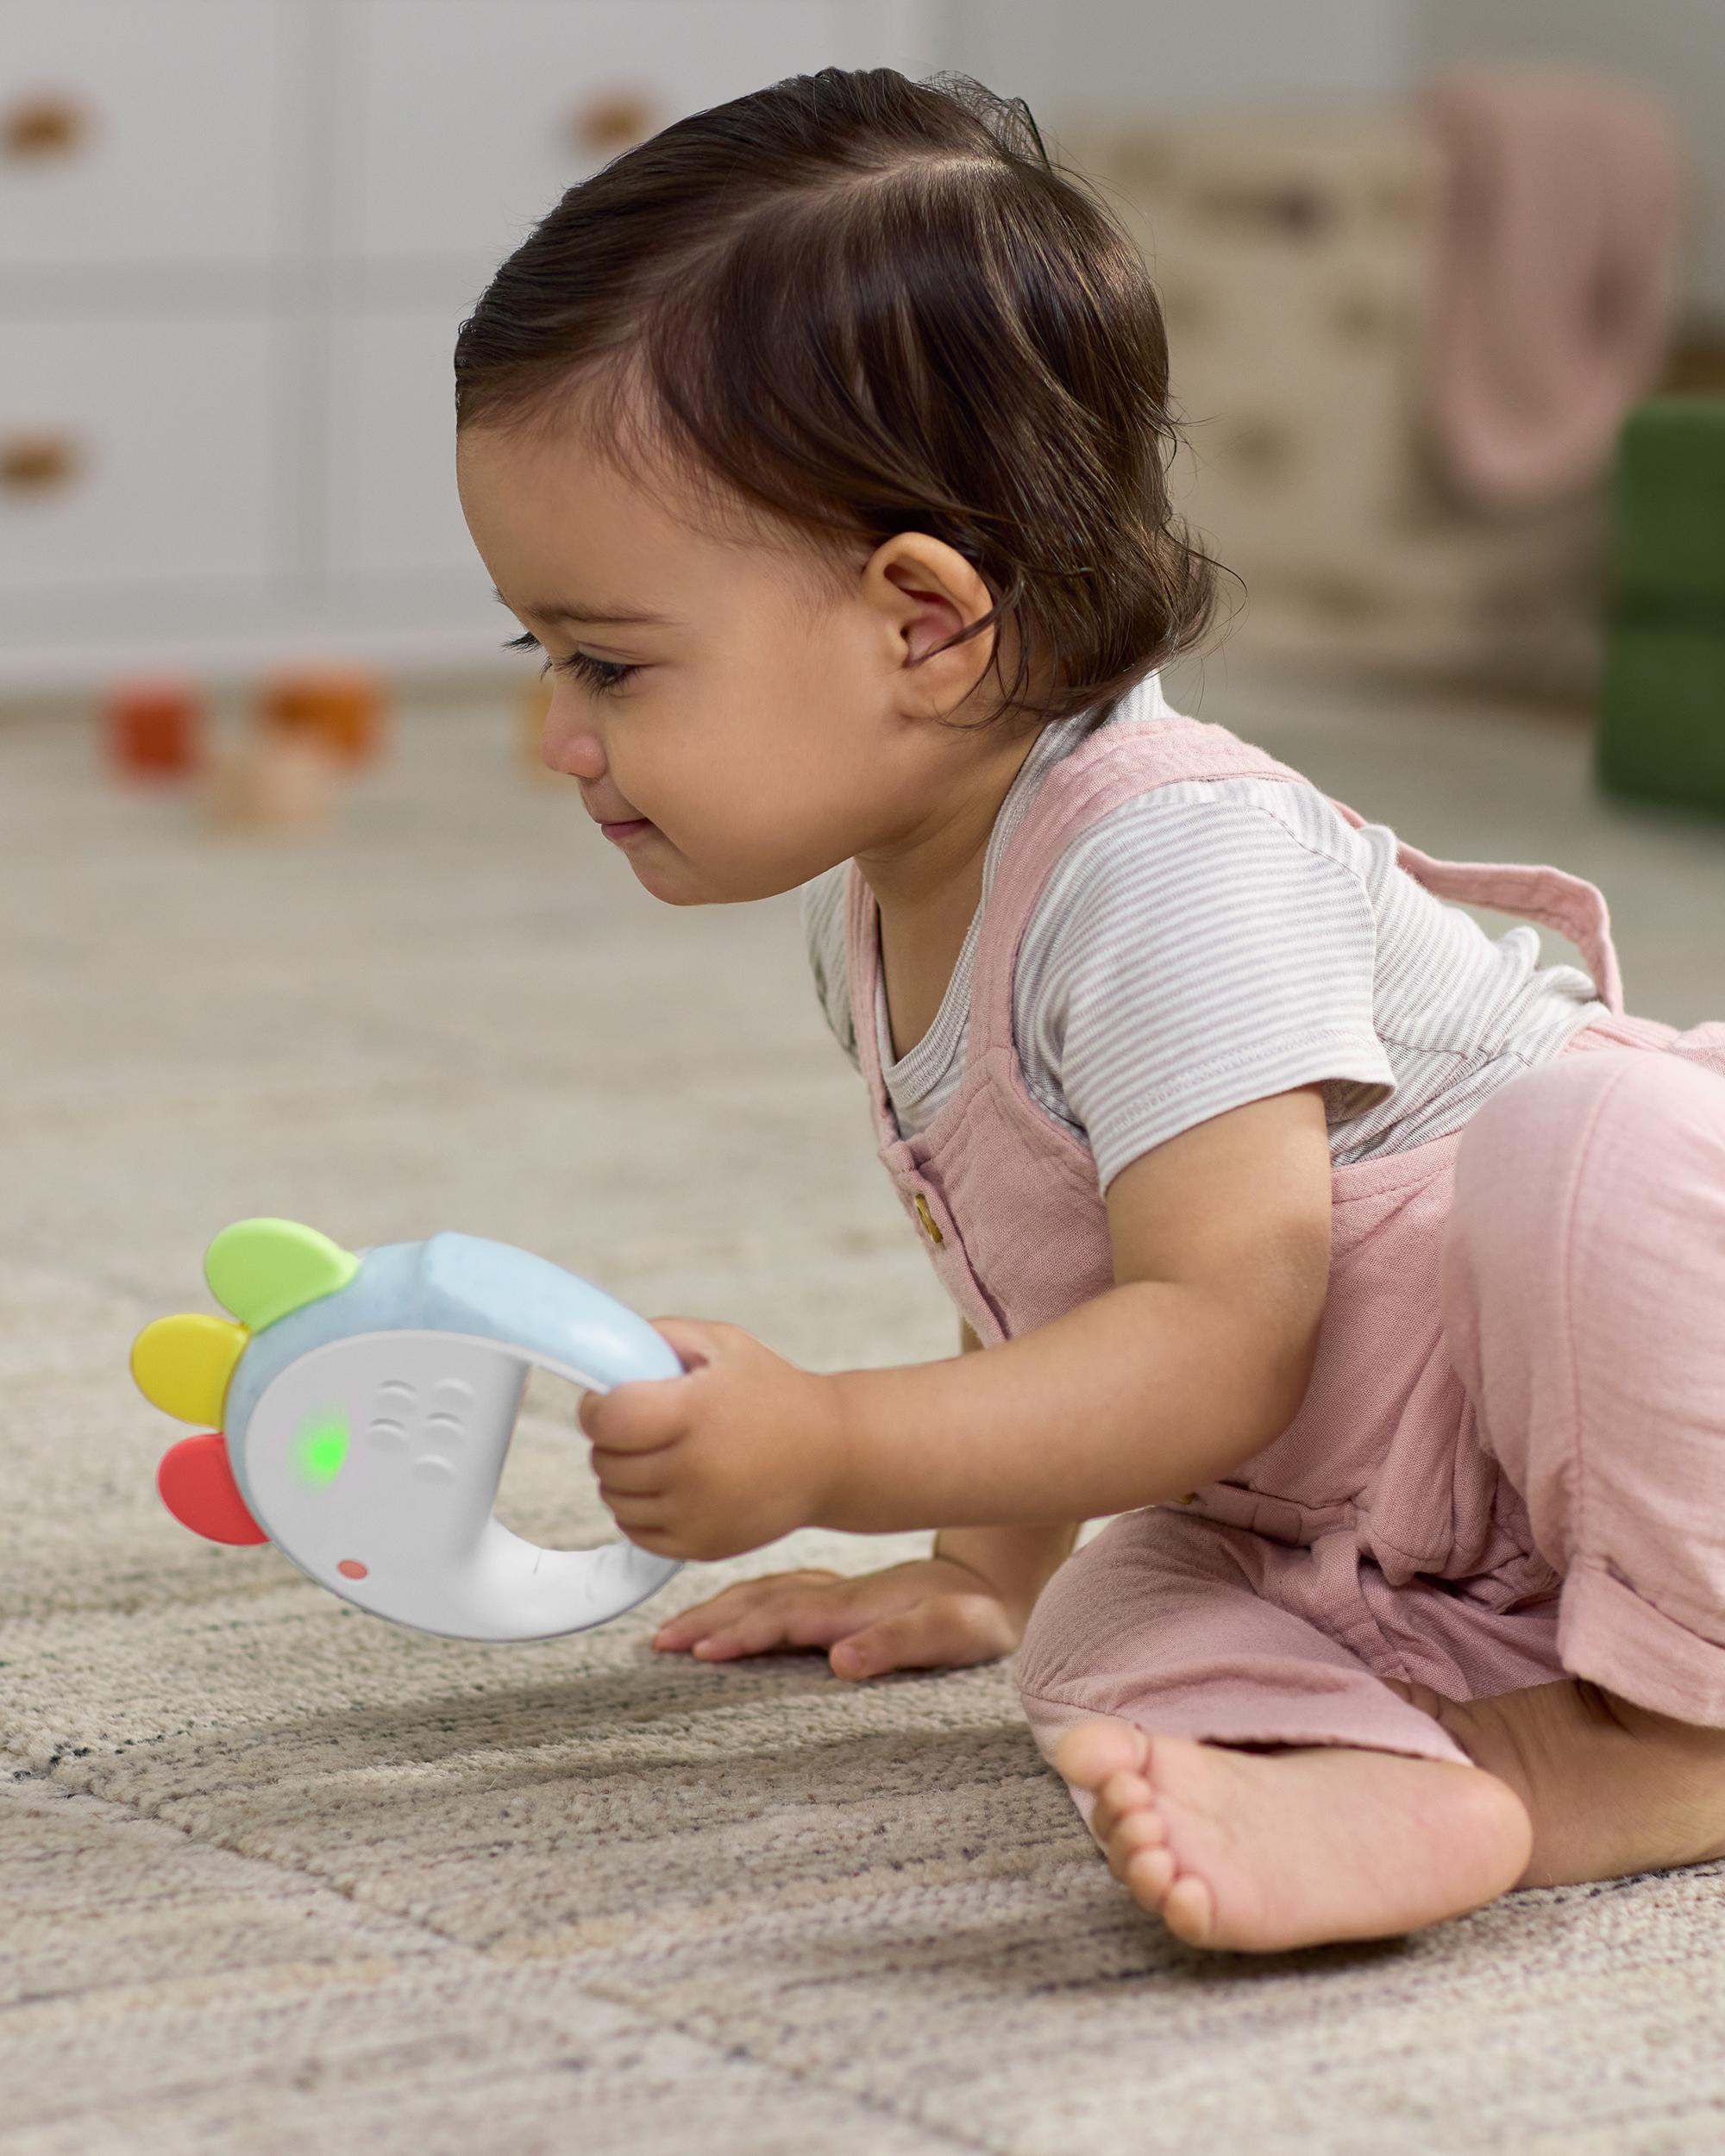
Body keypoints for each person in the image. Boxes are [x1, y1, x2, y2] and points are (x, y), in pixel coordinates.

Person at [453, 67, 1725, 1956]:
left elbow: (1217, 1340)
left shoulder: (1166, 860)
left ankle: (1640, 1748)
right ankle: (1409, 1760)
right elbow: (1038, 1269)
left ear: (923, 618)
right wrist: (979, 1567)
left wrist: (835, 1439)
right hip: (1397, 1509)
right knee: (1103, 1639)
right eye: (538, 651)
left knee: (1597, 1144)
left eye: (610, 662)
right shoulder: (880, 902)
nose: (558, 735)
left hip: (1625, 1384)